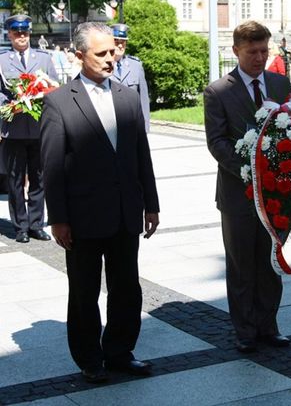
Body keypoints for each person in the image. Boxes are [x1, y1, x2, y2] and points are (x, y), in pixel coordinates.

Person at [40, 22, 160, 383]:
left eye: (114, 51)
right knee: (84, 291)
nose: (111, 58)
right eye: (102, 53)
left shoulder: (126, 96)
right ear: (80, 55)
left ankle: (120, 352)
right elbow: (52, 166)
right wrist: (58, 218)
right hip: (83, 216)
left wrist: (151, 204)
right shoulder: (59, 101)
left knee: (127, 288)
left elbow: (141, 154)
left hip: (125, 212)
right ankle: (90, 358)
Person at [204, 20, 291, 353]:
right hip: (238, 193)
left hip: (277, 194)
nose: (259, 58)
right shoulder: (218, 91)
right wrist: (252, 170)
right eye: (252, 52)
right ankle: (245, 330)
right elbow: (217, 141)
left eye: (264, 51)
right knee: (241, 264)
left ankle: (269, 326)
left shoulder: (280, 83)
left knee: (270, 260)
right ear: (236, 51)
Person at [0, 15, 58, 243]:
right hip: (13, 129)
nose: (21, 36)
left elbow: (53, 87)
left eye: (25, 32)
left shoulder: (43, 58)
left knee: (39, 178)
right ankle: (20, 227)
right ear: (9, 35)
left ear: (30, 33)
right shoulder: (2, 61)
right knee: (15, 180)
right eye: (17, 33)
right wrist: (9, 106)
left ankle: (36, 224)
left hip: (38, 128)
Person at [110, 23, 151, 133]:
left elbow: (143, 99)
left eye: (123, 42)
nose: (120, 46)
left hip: (132, 126)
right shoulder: (102, 66)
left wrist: (145, 128)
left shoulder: (135, 66)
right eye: (116, 42)